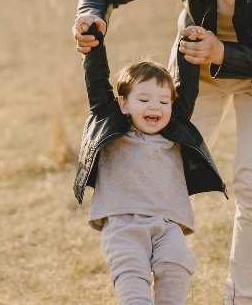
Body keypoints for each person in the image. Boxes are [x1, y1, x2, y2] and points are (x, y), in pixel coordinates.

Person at [72, 0, 252, 304]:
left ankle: (242, 298)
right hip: (194, 74)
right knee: (167, 179)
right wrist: (90, 14)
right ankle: (157, 290)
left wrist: (222, 51)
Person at [73, 22, 226, 304]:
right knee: (132, 276)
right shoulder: (113, 126)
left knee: (177, 265)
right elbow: (96, 81)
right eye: (143, 99)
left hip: (168, 224)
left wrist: (189, 42)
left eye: (163, 101)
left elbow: (187, 88)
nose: (154, 107)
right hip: (122, 224)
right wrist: (92, 39)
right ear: (123, 104)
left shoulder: (174, 129)